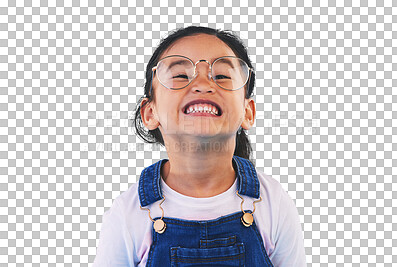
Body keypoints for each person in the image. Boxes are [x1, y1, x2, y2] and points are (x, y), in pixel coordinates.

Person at [93, 26, 306, 266]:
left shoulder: (272, 202)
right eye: (181, 76)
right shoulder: (128, 214)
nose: (203, 84)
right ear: (150, 113)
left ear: (248, 112)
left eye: (222, 76)